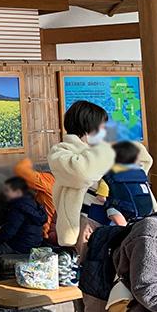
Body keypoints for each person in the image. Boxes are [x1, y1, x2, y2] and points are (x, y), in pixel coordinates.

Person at [48, 100, 115, 253]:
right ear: (89, 126)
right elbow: (82, 173)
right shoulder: (61, 151)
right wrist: (104, 151)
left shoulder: (103, 151)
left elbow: (144, 160)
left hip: (115, 217)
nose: (105, 132)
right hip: (85, 222)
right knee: (91, 268)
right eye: (102, 127)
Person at [0, 177, 47, 263]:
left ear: (18, 192)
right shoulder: (32, 202)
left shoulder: (18, 207)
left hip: (21, 245)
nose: (5, 193)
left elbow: (8, 233)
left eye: (7, 190)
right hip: (34, 243)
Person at [88, 141, 157, 227]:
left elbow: (101, 198)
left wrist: (109, 201)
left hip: (125, 209)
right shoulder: (139, 173)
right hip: (146, 210)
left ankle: (123, 227)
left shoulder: (109, 175)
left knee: (111, 208)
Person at [13, 158, 57, 244]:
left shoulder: (49, 181)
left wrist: (29, 157)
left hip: (42, 234)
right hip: (47, 232)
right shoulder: (73, 184)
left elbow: (20, 169)